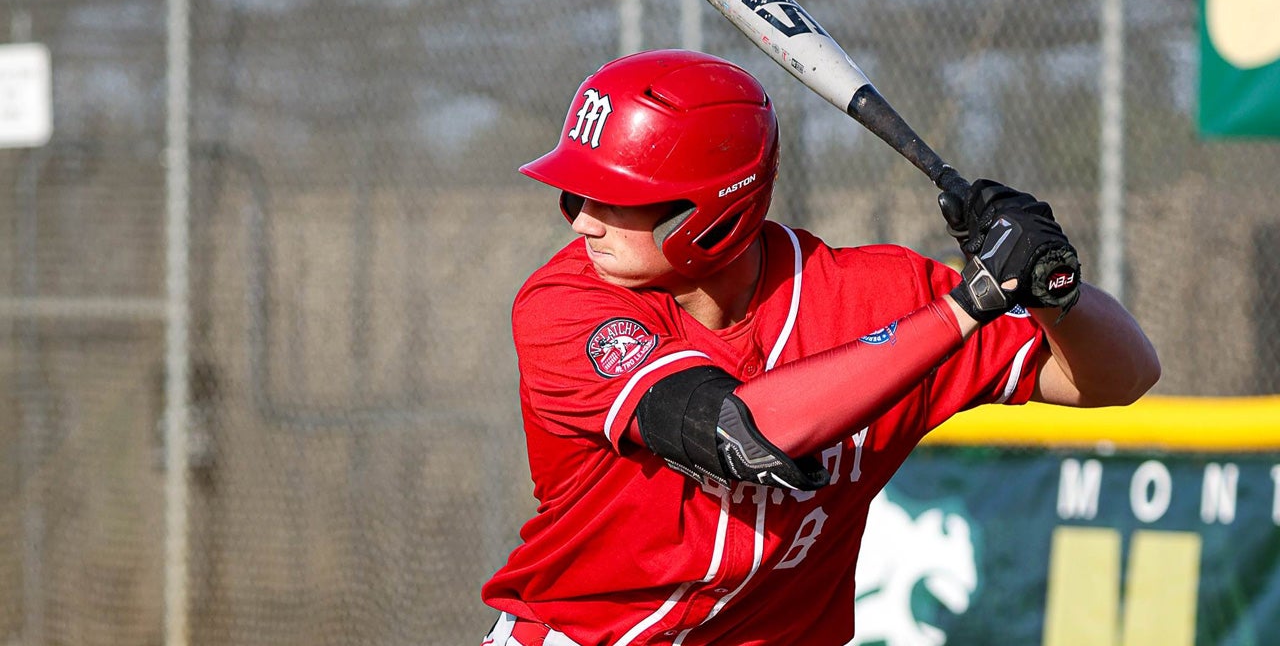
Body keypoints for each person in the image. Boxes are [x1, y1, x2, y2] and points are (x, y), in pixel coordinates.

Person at [480, 49, 1159, 646]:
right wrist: (965, 308)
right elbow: (737, 430)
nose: (579, 218)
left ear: (711, 207)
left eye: (614, 196)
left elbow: (1118, 377)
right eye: (576, 191)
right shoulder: (565, 306)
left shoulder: (875, 297)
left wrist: (1054, 288)